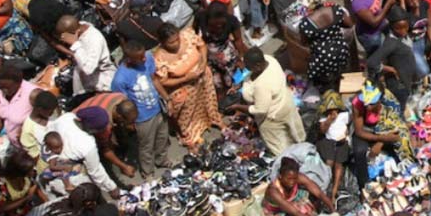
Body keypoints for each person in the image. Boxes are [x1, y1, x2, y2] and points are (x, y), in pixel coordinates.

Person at [153, 23, 222, 151]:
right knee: (186, 114)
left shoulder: (188, 35)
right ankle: (190, 136)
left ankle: (213, 119)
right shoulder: (159, 58)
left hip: (201, 77)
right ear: (162, 42)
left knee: (208, 101)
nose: (176, 44)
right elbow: (163, 81)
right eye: (171, 43)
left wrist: (203, 62)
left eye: (177, 39)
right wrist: (185, 78)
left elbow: (202, 47)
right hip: (183, 87)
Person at [228, 48, 305, 156]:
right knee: (295, 131)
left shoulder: (262, 85)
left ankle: (290, 160)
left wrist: (237, 106)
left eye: (248, 66)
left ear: (258, 65)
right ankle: (303, 148)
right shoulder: (270, 60)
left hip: (272, 116)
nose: (246, 68)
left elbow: (260, 110)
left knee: (279, 145)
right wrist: (240, 84)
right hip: (286, 103)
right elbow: (251, 75)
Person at [111, 41, 168, 178]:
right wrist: (130, 124)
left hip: (157, 107)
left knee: (162, 137)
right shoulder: (120, 79)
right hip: (142, 117)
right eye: (140, 58)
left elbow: (154, 79)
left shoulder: (147, 57)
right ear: (129, 59)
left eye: (143, 55)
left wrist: (167, 98)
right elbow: (122, 104)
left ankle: (162, 161)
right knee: (146, 146)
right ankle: (147, 171)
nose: (144, 59)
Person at [262, 158, 333, 216]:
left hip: (293, 203)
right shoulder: (273, 190)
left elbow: (319, 193)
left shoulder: (298, 177)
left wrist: (333, 210)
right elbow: (293, 211)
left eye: (294, 178)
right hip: (276, 213)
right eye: (288, 179)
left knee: (314, 197)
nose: (292, 182)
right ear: (280, 176)